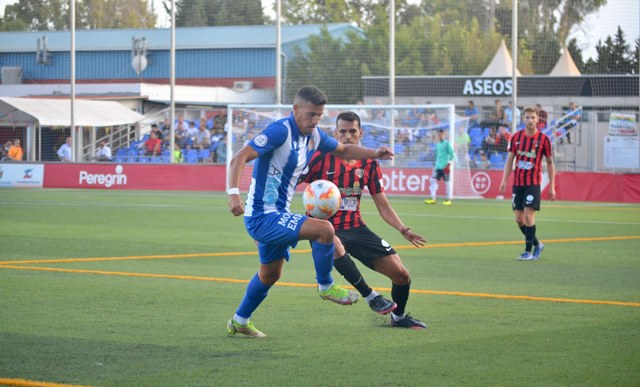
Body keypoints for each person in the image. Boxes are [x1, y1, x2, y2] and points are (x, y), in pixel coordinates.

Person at [226, 86, 394, 338]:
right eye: (310, 114)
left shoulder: (313, 136)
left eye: (319, 115)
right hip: (262, 214)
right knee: (324, 229)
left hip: (278, 213)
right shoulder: (279, 131)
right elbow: (239, 157)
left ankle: (239, 320)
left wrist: (375, 153)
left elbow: (344, 150)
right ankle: (326, 286)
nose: (315, 120)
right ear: (295, 109)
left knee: (270, 274)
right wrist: (233, 194)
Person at [302, 111, 427, 329]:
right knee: (333, 240)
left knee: (401, 274)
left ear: (361, 133)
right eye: (342, 131)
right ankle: (371, 296)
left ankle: (398, 318)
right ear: (335, 133)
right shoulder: (320, 158)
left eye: (352, 131)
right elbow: (290, 182)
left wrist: (403, 229)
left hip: (356, 227)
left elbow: (384, 206)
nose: (347, 136)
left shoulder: (369, 163)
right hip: (324, 229)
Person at [499, 106, 556, 261]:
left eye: (533, 117)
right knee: (518, 218)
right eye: (527, 117)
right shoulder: (516, 137)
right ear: (524, 119)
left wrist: (551, 186)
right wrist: (504, 180)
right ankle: (538, 244)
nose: (530, 120)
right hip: (518, 182)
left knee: (528, 214)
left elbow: (550, 163)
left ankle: (528, 251)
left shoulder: (544, 140)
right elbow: (510, 160)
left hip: (533, 182)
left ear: (538, 119)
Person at [424, 129, 455, 205]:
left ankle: (448, 199)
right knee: (432, 180)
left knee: (447, 182)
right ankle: (433, 198)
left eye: (442, 134)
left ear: (444, 135)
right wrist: (435, 164)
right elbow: (438, 156)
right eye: (439, 134)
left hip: (445, 167)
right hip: (438, 166)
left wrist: (449, 164)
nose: (440, 136)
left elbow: (452, 154)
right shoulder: (438, 145)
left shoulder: (447, 144)